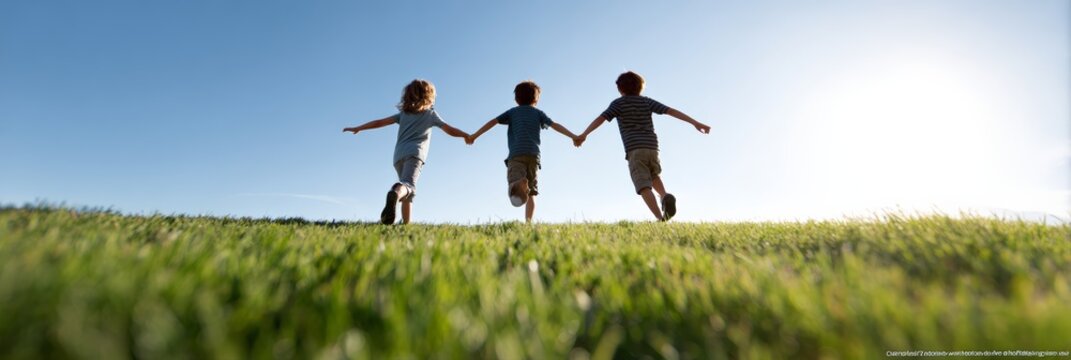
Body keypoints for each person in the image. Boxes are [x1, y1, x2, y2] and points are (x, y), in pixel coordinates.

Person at [574, 71, 711, 221]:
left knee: (643, 185)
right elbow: (670, 111)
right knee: (653, 175)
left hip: (635, 149)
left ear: (620, 89)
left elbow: (601, 119)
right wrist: (695, 123)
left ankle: (660, 218)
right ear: (640, 86)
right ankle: (664, 195)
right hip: (652, 147)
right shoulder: (646, 101)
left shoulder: (618, 104)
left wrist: (584, 134)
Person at [343, 79, 469, 224]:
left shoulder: (403, 114)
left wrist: (359, 128)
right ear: (429, 97)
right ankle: (396, 192)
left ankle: (406, 224)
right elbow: (449, 129)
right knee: (408, 186)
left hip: (398, 157)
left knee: (407, 192)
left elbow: (379, 122)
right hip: (415, 154)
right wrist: (465, 135)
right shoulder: (430, 114)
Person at [466, 81, 579, 222]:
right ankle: (528, 223)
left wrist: (474, 135)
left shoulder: (512, 112)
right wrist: (573, 136)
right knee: (531, 193)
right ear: (536, 99)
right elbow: (554, 125)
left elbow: (492, 122)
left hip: (516, 155)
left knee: (513, 184)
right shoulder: (538, 113)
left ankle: (519, 181)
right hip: (533, 155)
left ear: (516, 99)